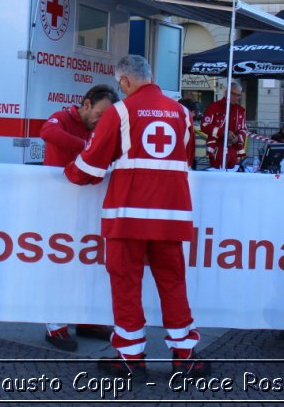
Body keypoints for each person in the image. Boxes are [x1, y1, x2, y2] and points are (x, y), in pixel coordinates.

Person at [65, 56, 209, 379]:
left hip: (127, 216)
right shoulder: (183, 114)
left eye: (120, 85)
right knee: (173, 284)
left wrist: (69, 171)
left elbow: (90, 166)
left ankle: (131, 358)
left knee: (126, 285)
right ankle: (184, 355)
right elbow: (185, 161)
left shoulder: (120, 112)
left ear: (125, 82)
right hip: (171, 217)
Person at [38, 84, 118, 351]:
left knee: (89, 260)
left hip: (88, 203)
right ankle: (55, 324)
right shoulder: (61, 117)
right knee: (60, 260)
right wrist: (88, 147)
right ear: (85, 104)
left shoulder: (98, 126)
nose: (101, 120)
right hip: (59, 203)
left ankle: (87, 319)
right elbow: (46, 132)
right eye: (99, 113)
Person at [200, 81, 248, 170]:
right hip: (217, 148)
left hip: (234, 149)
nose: (236, 97)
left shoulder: (240, 110)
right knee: (218, 175)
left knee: (233, 177)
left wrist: (238, 138)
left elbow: (244, 129)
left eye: (239, 95)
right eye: (234, 94)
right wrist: (224, 133)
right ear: (226, 92)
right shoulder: (214, 107)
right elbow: (204, 125)